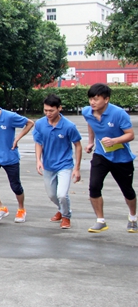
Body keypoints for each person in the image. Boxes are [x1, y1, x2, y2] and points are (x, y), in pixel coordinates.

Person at [82, 83, 136, 233]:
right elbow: (91, 125)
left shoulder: (119, 114)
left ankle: (133, 217)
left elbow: (130, 135)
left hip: (122, 158)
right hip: (101, 155)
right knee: (94, 187)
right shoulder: (87, 112)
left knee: (127, 190)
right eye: (90, 99)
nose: (92, 102)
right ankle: (100, 221)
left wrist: (115, 141)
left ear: (106, 99)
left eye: (96, 99)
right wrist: (91, 142)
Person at [0, 93, 35, 223]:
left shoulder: (9, 117)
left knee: (16, 186)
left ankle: (21, 209)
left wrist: (17, 138)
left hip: (10, 156)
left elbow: (30, 123)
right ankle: (1, 208)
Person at [34, 94, 81, 230]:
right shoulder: (40, 124)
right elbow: (38, 143)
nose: (48, 113)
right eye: (46, 110)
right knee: (52, 195)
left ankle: (66, 216)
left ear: (59, 108)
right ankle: (61, 210)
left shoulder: (69, 126)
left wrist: (76, 168)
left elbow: (78, 145)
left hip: (64, 164)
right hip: (48, 165)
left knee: (61, 194)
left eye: (51, 111)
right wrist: (38, 160)